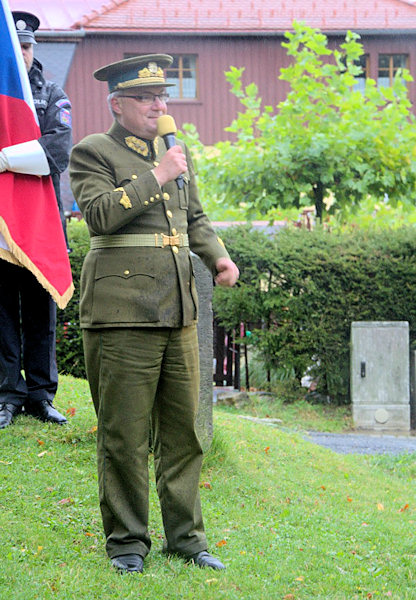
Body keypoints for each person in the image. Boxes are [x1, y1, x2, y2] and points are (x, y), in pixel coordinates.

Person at [69, 54, 239, 573]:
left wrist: (218, 255)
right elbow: (98, 215)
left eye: (162, 97)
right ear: (118, 104)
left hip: (178, 309)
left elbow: (195, 217)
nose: (158, 106)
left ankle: (187, 539)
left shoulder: (175, 152)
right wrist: (158, 174)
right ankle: (126, 544)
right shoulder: (91, 151)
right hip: (122, 311)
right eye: (146, 98)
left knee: (184, 432)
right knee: (123, 434)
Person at [0, 11, 72, 428]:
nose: (23, 54)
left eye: (27, 47)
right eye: (16, 47)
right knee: (4, 312)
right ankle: (8, 394)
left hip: (42, 225)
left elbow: (56, 154)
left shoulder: (52, 94)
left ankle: (41, 396)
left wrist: (5, 159)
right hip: (4, 225)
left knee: (42, 314)